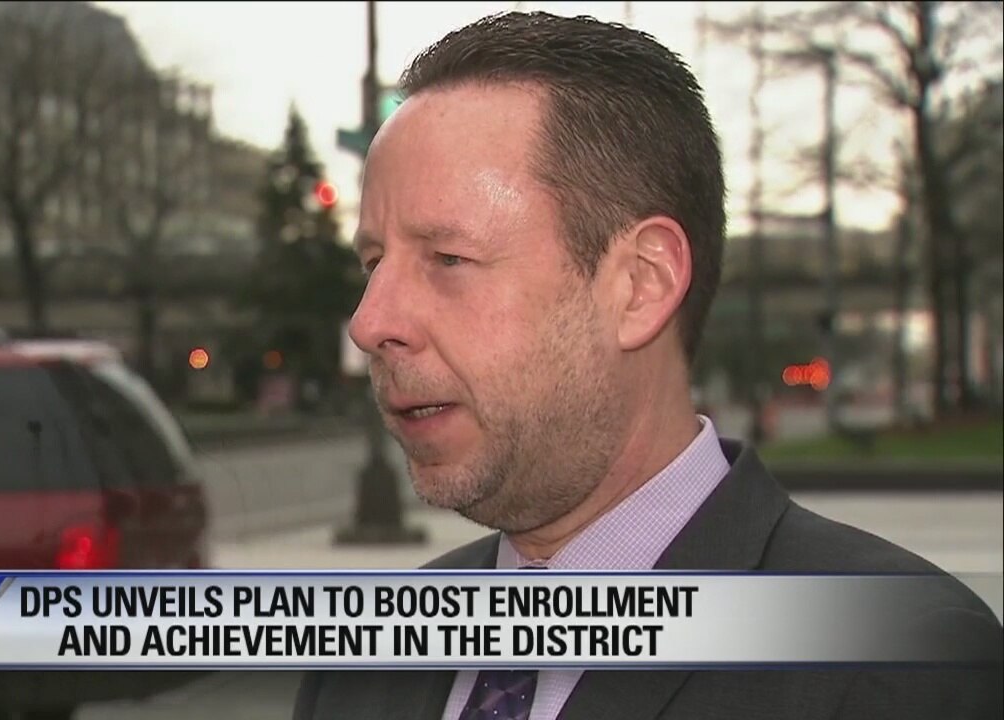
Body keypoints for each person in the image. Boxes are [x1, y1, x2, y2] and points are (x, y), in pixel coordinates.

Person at [293, 11, 1001, 720]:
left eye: (448, 259)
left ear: (641, 284)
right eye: (375, 263)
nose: (370, 322)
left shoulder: (900, 671)